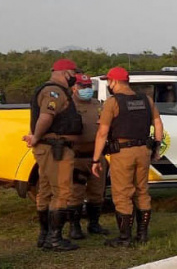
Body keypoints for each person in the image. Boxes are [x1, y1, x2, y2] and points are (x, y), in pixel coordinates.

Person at [91, 67, 163, 246]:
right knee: (141, 191)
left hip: (122, 152)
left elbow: (102, 133)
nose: (108, 84)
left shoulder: (112, 102)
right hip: (143, 150)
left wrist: (95, 159)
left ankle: (124, 238)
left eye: (108, 81)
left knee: (122, 193)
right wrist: (156, 147)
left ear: (114, 82)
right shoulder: (146, 100)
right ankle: (142, 235)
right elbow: (158, 123)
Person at [23, 58, 84, 252]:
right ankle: (54, 238)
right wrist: (36, 137)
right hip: (55, 149)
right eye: (73, 73)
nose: (75, 77)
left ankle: (45, 235)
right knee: (62, 191)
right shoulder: (54, 92)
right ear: (65, 73)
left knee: (46, 191)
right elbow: (46, 117)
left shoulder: (54, 90)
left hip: (50, 148)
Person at [67, 73, 109, 239]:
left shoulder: (97, 104)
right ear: (74, 87)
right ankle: (74, 227)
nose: (86, 89)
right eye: (82, 86)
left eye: (88, 86)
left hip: (97, 156)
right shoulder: (67, 105)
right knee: (75, 193)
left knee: (97, 192)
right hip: (76, 157)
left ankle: (94, 224)